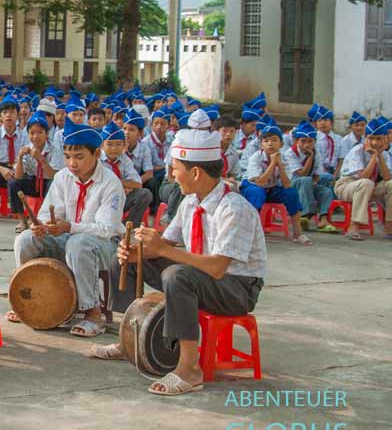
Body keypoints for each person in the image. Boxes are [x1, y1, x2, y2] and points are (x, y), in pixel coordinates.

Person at [94, 128, 267, 396]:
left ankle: (189, 369)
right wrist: (138, 250)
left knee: (177, 275)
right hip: (204, 276)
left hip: (237, 287)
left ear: (195, 172)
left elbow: (217, 268)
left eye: (175, 169)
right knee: (128, 261)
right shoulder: (190, 202)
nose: (172, 175)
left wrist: (162, 249)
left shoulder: (233, 208)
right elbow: (167, 244)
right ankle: (128, 340)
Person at [12, 121, 125, 335]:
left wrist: (69, 227)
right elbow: (47, 215)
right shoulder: (63, 177)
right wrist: (43, 227)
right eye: (67, 156)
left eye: (79, 157)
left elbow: (105, 229)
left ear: (97, 153)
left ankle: (93, 314)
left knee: (78, 243)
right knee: (25, 239)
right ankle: (26, 301)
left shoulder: (111, 183)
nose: (72, 163)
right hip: (68, 238)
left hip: (105, 246)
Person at [240, 117, 312, 245]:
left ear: (281, 144)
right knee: (257, 192)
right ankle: (250, 233)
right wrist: (273, 164)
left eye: (274, 140)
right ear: (261, 144)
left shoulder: (283, 157)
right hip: (252, 187)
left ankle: (298, 233)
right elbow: (259, 183)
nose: (270, 144)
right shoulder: (255, 158)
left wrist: (280, 165)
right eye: (266, 141)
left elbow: (287, 184)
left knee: (291, 193)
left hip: (272, 188)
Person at [334, 118, 392, 240]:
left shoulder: (385, 154)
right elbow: (363, 176)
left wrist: (379, 155)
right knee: (366, 183)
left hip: (368, 188)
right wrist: (374, 156)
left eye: (378, 139)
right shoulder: (356, 151)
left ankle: (389, 225)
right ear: (365, 139)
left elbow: (387, 177)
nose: (375, 143)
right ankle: (354, 226)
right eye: (371, 138)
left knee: (390, 184)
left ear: (385, 139)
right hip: (347, 186)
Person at [283, 121, 338, 233]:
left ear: (315, 142)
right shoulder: (291, 153)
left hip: (308, 182)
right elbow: (301, 173)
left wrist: (314, 185)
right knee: (305, 180)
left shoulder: (316, 152)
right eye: (303, 141)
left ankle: (323, 218)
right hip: (291, 184)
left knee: (326, 189)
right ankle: (306, 214)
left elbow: (317, 175)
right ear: (296, 141)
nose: (306, 145)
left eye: (310, 141)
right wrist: (310, 157)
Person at [9, 114, 59, 232]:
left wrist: (41, 159)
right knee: (13, 183)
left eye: (40, 132)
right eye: (32, 133)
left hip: (48, 182)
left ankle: (46, 220)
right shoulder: (26, 148)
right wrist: (20, 158)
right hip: (33, 181)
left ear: (46, 134)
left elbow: (54, 175)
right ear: (28, 135)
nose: (35, 136)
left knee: (52, 183)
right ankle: (22, 221)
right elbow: (18, 176)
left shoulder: (54, 149)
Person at [100, 122, 152, 228]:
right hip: (100, 200)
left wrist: (119, 183)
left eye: (118, 144)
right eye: (109, 144)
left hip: (120, 199)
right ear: (102, 145)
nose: (114, 148)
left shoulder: (124, 160)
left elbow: (137, 184)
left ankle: (128, 226)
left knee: (145, 194)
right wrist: (122, 184)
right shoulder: (97, 160)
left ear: (124, 145)